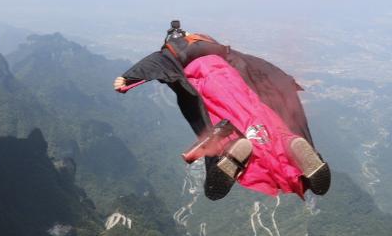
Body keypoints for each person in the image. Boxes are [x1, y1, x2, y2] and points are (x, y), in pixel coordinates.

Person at [113, 21, 330, 201]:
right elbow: (254, 64)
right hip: (234, 80)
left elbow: (155, 63)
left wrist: (128, 78)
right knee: (260, 117)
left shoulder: (172, 51)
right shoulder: (213, 47)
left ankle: (232, 148)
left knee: (224, 122)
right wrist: (284, 81)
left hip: (208, 86)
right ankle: (288, 141)